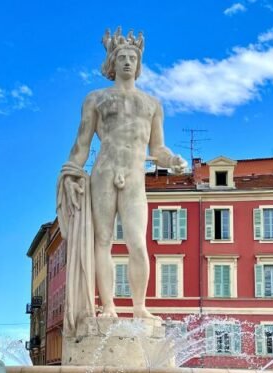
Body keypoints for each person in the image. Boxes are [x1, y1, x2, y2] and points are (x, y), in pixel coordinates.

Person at [57, 27, 187, 335]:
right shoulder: (96, 99)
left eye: (133, 57)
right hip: (104, 171)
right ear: (112, 63)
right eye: (122, 57)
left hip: (134, 176)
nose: (128, 61)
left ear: (139, 65)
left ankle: (140, 307)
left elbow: (157, 148)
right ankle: (109, 307)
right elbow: (81, 144)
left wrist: (172, 161)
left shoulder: (152, 104)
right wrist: (72, 173)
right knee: (102, 241)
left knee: (137, 243)